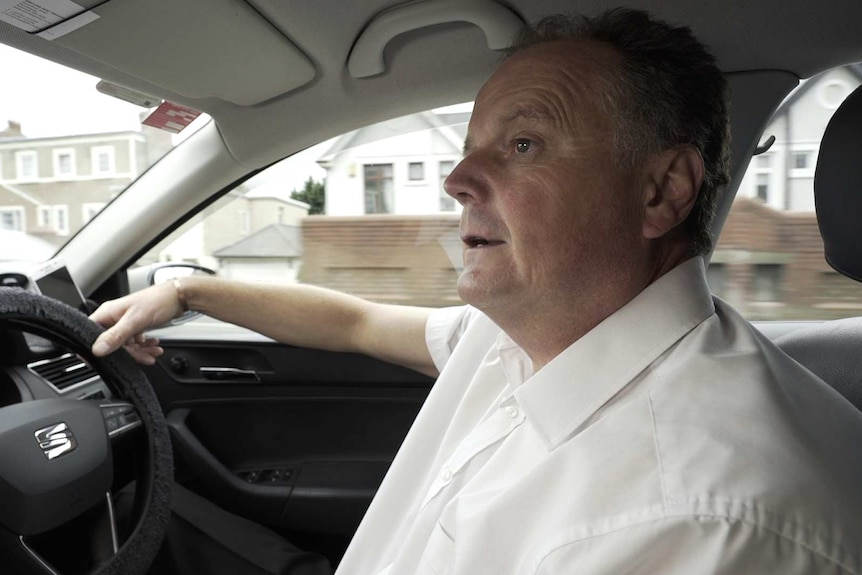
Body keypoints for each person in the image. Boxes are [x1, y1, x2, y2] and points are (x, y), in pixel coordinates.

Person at [92, 8, 862, 574]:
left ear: (661, 191)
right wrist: (192, 291)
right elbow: (356, 320)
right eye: (470, 149)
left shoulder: (696, 522)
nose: (457, 181)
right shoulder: (530, 332)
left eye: (522, 144)